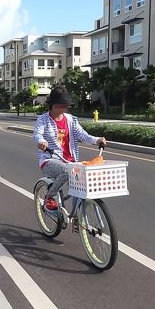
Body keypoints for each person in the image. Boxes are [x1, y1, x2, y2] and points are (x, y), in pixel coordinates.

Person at [33, 85, 106, 216]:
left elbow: (83, 135)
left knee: (82, 184)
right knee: (68, 171)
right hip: (50, 160)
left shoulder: (70, 119)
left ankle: (79, 218)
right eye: (60, 106)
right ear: (52, 105)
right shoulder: (43, 119)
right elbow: (38, 134)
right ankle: (49, 197)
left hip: (71, 160)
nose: (63, 109)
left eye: (65, 106)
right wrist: (41, 142)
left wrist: (97, 140)